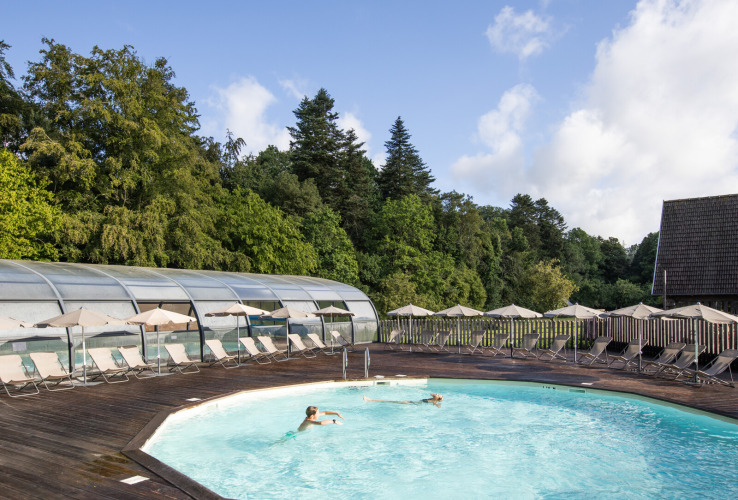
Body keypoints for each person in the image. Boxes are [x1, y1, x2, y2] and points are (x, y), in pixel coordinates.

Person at [363, 393, 443, 407]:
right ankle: (370, 400)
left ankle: (370, 400)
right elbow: (431, 395)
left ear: (437, 398)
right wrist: (437, 404)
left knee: (392, 401)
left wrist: (437, 402)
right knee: (393, 401)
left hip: (412, 403)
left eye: (438, 395)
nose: (437, 394)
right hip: (412, 402)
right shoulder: (433, 400)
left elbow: (435, 401)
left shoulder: (434, 400)